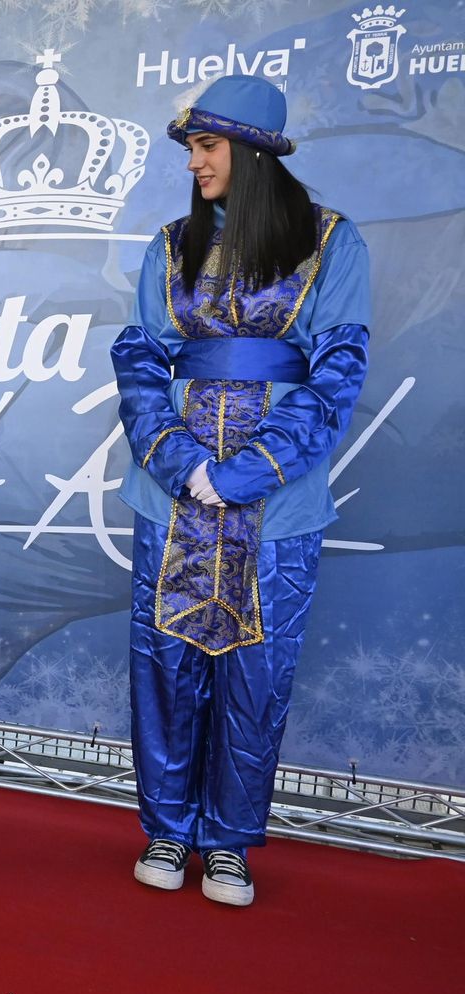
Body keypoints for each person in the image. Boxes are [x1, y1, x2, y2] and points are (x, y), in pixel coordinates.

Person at [110, 75, 370, 906]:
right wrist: (179, 460)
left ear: (252, 151)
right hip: (171, 495)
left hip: (279, 506)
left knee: (258, 672)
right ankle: (166, 829)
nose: (194, 162)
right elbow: (141, 355)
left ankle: (227, 841)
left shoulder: (332, 243)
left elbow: (338, 375)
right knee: (165, 663)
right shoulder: (169, 245)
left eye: (207, 146)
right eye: (191, 148)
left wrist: (241, 475)